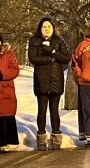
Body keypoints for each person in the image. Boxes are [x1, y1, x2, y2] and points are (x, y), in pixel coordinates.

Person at [28, 17, 70, 150]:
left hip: (56, 79)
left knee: (54, 110)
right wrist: (50, 59)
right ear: (40, 29)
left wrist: (53, 52)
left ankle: (56, 136)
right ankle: (41, 138)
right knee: (41, 110)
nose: (47, 29)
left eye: (49, 27)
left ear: (53, 28)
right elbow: (33, 59)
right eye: (44, 27)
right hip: (41, 79)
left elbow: (65, 58)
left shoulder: (58, 41)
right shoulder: (34, 41)